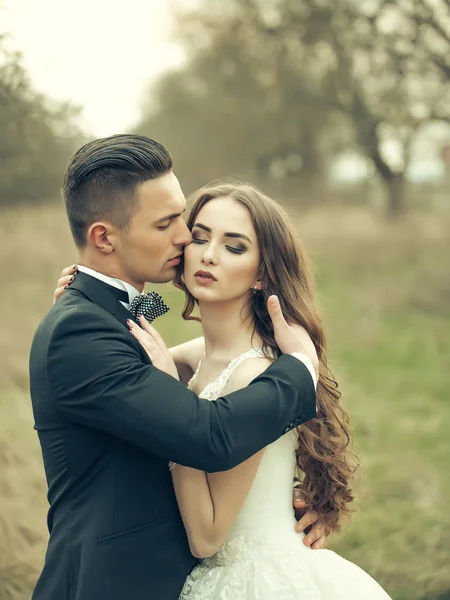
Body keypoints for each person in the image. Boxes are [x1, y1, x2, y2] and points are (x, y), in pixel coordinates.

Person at [30, 134, 321, 600]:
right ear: (104, 237)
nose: (188, 241)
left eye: (184, 220)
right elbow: (209, 434)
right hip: (113, 583)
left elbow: (136, 317)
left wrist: (290, 506)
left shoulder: (110, 315)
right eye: (171, 224)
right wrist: (304, 366)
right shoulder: (81, 331)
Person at [121, 182, 393, 599]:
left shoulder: (250, 375)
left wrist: (170, 401)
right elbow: (127, 349)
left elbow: (207, 538)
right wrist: (91, 296)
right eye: (199, 237)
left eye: (234, 247)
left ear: (262, 273)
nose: (209, 254)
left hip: (254, 580)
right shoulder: (199, 355)